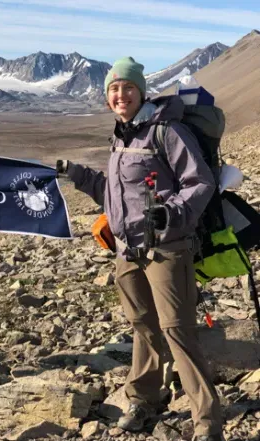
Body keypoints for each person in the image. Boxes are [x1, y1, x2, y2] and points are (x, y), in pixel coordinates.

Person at [56, 57, 224, 441]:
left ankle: (208, 423)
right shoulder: (120, 135)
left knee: (177, 330)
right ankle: (145, 400)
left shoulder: (166, 131)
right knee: (143, 326)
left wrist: (172, 213)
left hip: (166, 249)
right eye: (114, 89)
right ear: (107, 97)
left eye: (127, 88)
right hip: (127, 251)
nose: (120, 94)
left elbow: (200, 182)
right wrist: (75, 173)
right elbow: (112, 195)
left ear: (141, 92)